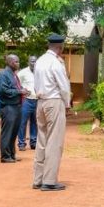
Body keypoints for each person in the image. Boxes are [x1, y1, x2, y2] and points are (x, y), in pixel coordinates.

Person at [32, 34, 70, 190]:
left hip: (40, 102)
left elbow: (35, 84)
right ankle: (49, 181)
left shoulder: (40, 61)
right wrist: (67, 104)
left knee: (41, 140)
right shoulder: (56, 63)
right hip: (54, 101)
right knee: (54, 141)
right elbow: (64, 86)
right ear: (60, 48)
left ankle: (38, 179)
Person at [0, 53, 23, 163]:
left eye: (18, 61)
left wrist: (23, 90)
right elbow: (4, 91)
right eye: (16, 61)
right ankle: (5, 156)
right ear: (9, 62)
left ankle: (12, 154)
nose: (18, 63)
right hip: (8, 107)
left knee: (13, 132)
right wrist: (19, 91)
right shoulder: (3, 75)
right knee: (7, 132)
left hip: (17, 106)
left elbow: (15, 87)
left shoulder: (13, 74)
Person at [17, 55, 38, 151]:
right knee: (23, 122)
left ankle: (33, 142)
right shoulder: (22, 72)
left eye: (35, 61)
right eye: (32, 61)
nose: (34, 63)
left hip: (37, 100)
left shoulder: (39, 72)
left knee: (35, 122)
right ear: (28, 62)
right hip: (26, 101)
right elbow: (17, 84)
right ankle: (21, 143)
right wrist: (22, 90)